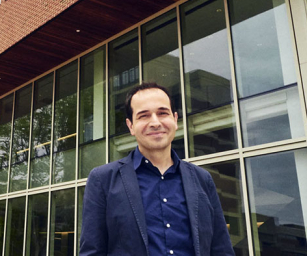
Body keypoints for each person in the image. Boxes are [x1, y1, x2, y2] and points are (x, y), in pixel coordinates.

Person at [79, 82, 234, 256]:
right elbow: (92, 251)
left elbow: (221, 248)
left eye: (162, 113)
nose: (155, 122)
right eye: (144, 116)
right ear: (131, 126)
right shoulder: (103, 179)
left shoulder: (202, 179)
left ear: (175, 120)